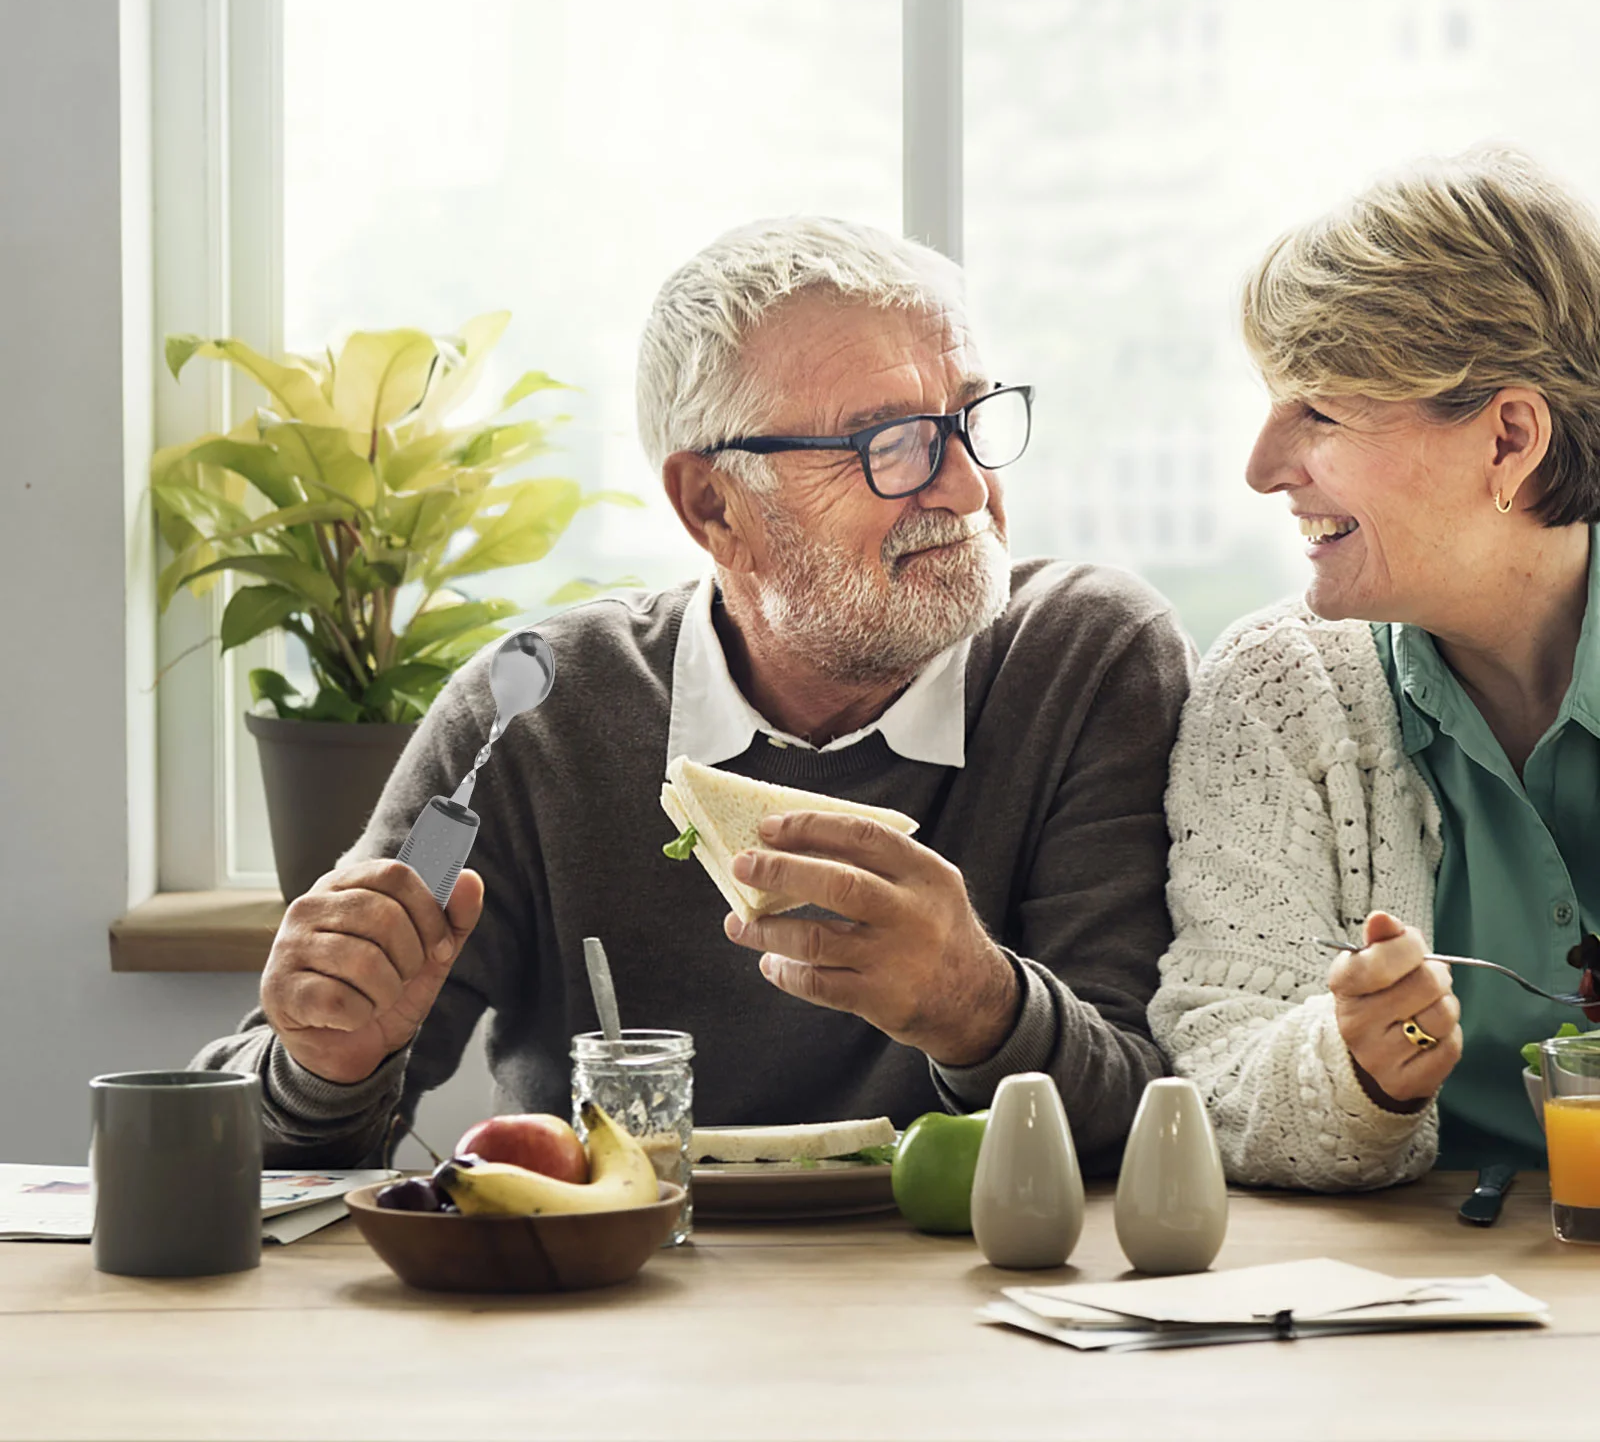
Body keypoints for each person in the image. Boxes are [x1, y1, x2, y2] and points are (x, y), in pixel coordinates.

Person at [194, 217, 1192, 1172]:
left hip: (967, 1310)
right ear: (712, 504)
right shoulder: (538, 710)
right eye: (890, 444)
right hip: (603, 1302)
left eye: (970, 419)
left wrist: (976, 1003)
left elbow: (1157, 1124)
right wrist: (324, 1062)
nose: (968, 490)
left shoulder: (1084, 658)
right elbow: (244, 1153)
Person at [1152, 147, 1600, 1189]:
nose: (1263, 467)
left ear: (1508, 439)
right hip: (1427, 1291)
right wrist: (1356, 1072)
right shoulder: (1279, 688)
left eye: (1318, 410)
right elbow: (1214, 1067)